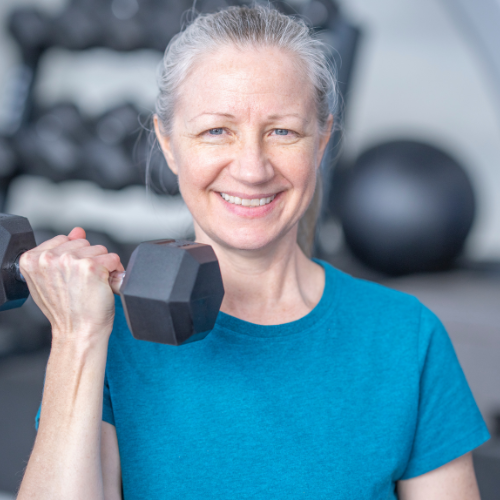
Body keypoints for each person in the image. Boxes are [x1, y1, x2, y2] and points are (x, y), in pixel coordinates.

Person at [17, 5, 489, 500]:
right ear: (169, 143)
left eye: (282, 131)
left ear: (322, 140)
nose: (252, 168)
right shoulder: (107, 333)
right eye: (216, 130)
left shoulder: (405, 336)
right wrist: (77, 337)